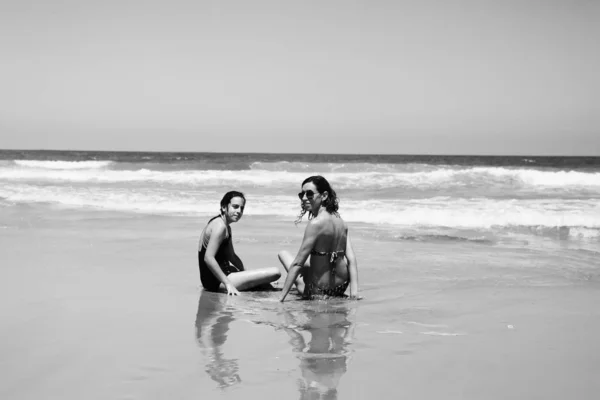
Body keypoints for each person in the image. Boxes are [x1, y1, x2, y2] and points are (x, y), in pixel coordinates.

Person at [279, 176, 359, 302]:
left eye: (309, 194)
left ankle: (301, 286)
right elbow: (351, 259)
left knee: (284, 255)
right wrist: (354, 293)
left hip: (319, 290)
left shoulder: (315, 224)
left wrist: (280, 298)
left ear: (324, 195)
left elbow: (297, 263)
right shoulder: (342, 222)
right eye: (302, 195)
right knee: (287, 256)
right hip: (341, 286)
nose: (304, 198)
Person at [198, 191, 281, 295]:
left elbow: (231, 256)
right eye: (235, 207)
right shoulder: (219, 226)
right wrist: (228, 284)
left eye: (242, 208)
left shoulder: (225, 226)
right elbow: (208, 258)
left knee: (264, 281)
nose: (239, 211)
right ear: (224, 207)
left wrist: (249, 274)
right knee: (276, 272)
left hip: (219, 276)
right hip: (216, 282)